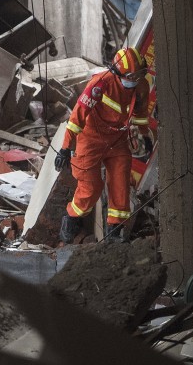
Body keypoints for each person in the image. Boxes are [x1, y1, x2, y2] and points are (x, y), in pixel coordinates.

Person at [54, 46, 152, 243]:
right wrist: (65, 147)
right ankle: (71, 219)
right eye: (131, 76)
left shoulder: (141, 86)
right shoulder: (100, 84)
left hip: (117, 141)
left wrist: (145, 135)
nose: (134, 80)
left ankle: (114, 232)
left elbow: (140, 114)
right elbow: (77, 115)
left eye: (139, 75)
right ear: (117, 73)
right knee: (90, 188)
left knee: (120, 184)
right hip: (91, 140)